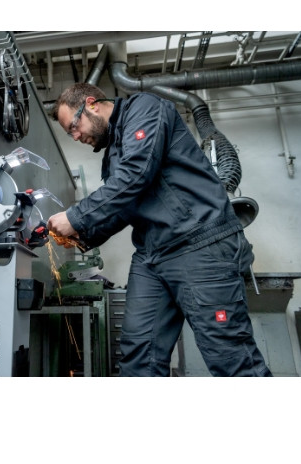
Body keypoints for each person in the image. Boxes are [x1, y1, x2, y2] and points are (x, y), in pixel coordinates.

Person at [46, 82, 272, 377]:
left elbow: (136, 173)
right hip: (151, 256)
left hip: (198, 244)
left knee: (229, 356)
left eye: (73, 127)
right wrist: (81, 234)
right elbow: (125, 205)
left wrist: (76, 216)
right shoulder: (113, 152)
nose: (75, 137)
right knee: (139, 356)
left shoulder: (145, 109)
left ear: (92, 104)